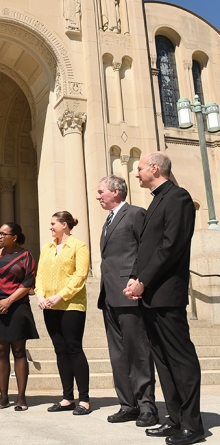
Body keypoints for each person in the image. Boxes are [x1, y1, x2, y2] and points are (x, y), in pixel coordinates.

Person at [124, 152, 204, 445]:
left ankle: (193, 425)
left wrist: (143, 281)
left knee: (180, 359)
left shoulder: (178, 198)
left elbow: (171, 247)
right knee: (162, 359)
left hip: (167, 294)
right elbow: (146, 248)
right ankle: (174, 418)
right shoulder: (156, 200)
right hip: (149, 294)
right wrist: (135, 279)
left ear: (155, 168)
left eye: (140, 168)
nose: (137, 174)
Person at [96, 176, 158, 427]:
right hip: (109, 295)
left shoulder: (135, 214)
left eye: (101, 192)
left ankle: (147, 407)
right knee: (118, 354)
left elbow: (146, 248)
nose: (98, 196)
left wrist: (136, 277)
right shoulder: (107, 221)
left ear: (116, 191)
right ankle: (127, 404)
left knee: (138, 353)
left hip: (129, 293)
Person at [35, 211, 91, 415]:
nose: (50, 227)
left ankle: (84, 399)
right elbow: (40, 274)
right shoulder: (47, 248)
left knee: (74, 348)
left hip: (71, 305)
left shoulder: (79, 246)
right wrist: (40, 296)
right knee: (60, 349)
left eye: (53, 224)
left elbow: (80, 275)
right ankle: (67, 397)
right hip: (49, 305)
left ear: (64, 225)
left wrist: (61, 296)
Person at [0, 222, 39, 411]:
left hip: (18, 307)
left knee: (19, 351)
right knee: (1, 350)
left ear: (14, 237)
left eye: (4, 234)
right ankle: (3, 398)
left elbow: (28, 280)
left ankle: (21, 398)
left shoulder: (25, 255)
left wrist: (9, 301)